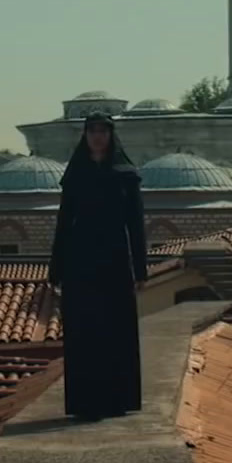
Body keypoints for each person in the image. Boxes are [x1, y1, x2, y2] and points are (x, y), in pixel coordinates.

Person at [48, 112, 147, 420]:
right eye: (92, 131)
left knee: (115, 331)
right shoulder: (76, 173)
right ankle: (86, 403)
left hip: (115, 262)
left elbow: (136, 225)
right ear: (86, 135)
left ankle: (117, 400)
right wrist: (56, 269)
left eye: (103, 131)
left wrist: (141, 269)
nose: (98, 136)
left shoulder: (126, 175)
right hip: (81, 262)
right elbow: (64, 223)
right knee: (85, 332)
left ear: (111, 135)